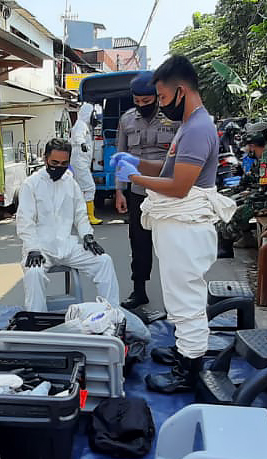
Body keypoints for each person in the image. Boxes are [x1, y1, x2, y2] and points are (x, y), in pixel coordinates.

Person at [112, 55, 237, 393]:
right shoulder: (188, 125)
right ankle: (184, 350)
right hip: (177, 227)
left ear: (181, 91)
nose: (161, 104)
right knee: (177, 294)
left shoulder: (196, 129)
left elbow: (180, 186)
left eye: (163, 97)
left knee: (186, 300)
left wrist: (135, 177)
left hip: (185, 227)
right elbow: (168, 169)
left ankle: (188, 370)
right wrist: (136, 161)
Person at [17, 138, 120, 312]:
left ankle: (112, 314)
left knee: (104, 261)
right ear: (45, 158)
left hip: (67, 246)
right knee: (34, 273)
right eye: (54, 163)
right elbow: (25, 221)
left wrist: (87, 235)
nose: (59, 167)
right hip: (40, 249)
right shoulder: (31, 184)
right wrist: (32, 248)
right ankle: (36, 319)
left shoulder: (71, 183)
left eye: (64, 163)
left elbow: (80, 214)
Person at [114, 71, 179, 310]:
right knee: (139, 243)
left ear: (156, 96)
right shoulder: (126, 120)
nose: (142, 105)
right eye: (137, 101)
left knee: (171, 245)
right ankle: (139, 291)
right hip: (138, 193)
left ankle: (176, 295)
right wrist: (119, 191)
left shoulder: (174, 119)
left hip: (167, 192)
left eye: (147, 101)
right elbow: (120, 157)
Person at [217, 125, 267, 251]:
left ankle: (224, 243)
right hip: (260, 196)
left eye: (249, 146)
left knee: (234, 209)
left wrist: (246, 195)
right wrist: (239, 186)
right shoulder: (261, 156)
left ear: (253, 145)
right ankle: (245, 237)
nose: (247, 149)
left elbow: (266, 192)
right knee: (226, 198)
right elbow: (252, 176)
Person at [70, 102, 102, 225]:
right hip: (80, 162)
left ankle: (80, 216)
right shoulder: (81, 125)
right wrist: (82, 143)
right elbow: (78, 136)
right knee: (89, 187)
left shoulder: (86, 126)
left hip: (82, 162)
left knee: (78, 190)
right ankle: (89, 217)